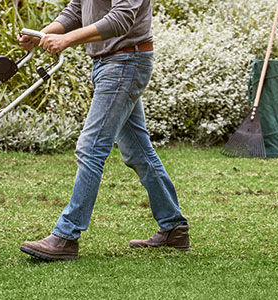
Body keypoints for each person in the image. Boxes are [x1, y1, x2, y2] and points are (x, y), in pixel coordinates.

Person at [17, 0, 190, 261]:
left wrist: (67, 40)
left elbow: (120, 19)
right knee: (137, 151)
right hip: (110, 63)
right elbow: (77, 9)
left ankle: (66, 236)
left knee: (91, 148)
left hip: (125, 62)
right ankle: (174, 227)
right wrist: (45, 33)